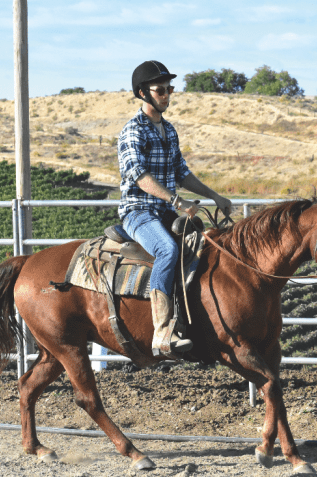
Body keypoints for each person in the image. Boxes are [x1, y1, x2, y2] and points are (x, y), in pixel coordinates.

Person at [118, 60, 233, 360]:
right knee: (168, 250)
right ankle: (161, 332)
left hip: (167, 211)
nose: (167, 95)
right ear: (143, 93)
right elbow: (139, 176)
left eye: (169, 89)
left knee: (206, 244)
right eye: (160, 90)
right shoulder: (133, 130)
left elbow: (182, 173)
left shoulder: (169, 130)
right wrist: (176, 201)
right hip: (139, 211)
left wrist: (214, 195)